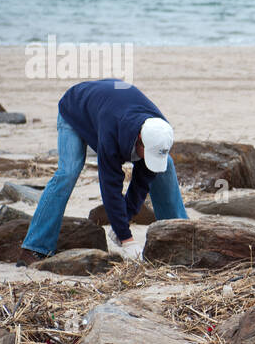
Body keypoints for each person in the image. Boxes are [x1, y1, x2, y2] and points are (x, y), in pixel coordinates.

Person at [17, 79, 187, 265]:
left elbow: (142, 181)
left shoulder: (161, 131)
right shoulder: (111, 132)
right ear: (139, 139)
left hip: (109, 101)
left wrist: (124, 220)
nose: (149, 158)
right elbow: (110, 186)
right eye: (148, 152)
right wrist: (126, 239)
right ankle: (34, 247)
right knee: (68, 171)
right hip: (75, 108)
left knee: (165, 166)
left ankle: (180, 236)